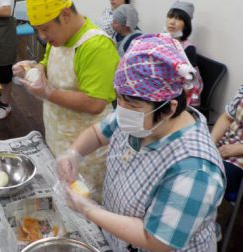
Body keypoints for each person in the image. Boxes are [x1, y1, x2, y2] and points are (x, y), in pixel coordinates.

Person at [56, 33, 225, 251]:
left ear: (169, 109)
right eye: (119, 98)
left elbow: (157, 240)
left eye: (132, 104)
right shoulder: (137, 112)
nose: (121, 109)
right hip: (118, 237)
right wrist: (74, 152)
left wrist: (88, 210)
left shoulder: (195, 171)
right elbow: (98, 134)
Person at [13, 0, 119, 201]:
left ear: (65, 15)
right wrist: (34, 68)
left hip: (86, 153)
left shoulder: (95, 46)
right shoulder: (59, 39)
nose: (41, 37)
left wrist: (47, 93)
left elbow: (95, 103)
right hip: (59, 137)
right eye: (37, 30)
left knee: (84, 205)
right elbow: (48, 63)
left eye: (45, 29)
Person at [165, 1, 203, 106]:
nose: (172, 22)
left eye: (178, 18)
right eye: (170, 17)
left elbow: (187, 82)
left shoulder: (188, 49)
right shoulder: (163, 40)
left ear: (186, 24)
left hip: (183, 95)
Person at [212, 85, 243, 202]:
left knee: (210, 178)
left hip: (239, 159)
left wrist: (238, 149)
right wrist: (211, 141)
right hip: (224, 144)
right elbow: (227, 118)